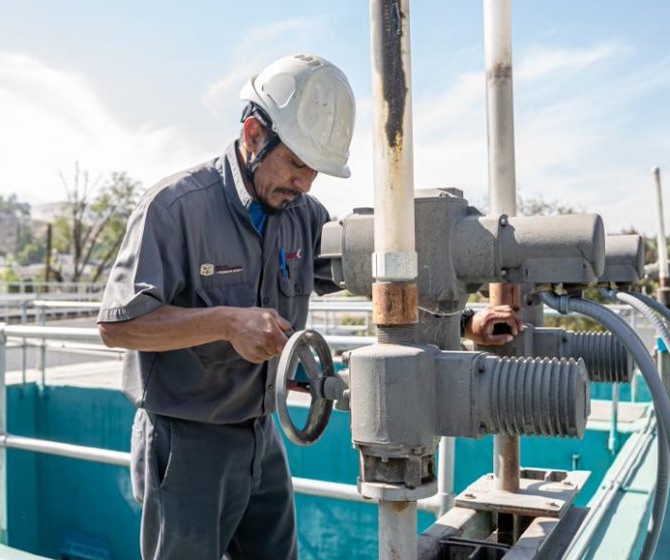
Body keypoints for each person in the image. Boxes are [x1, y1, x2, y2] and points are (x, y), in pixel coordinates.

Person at [97, 54, 521, 559]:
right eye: (297, 163)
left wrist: (465, 320)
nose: (305, 183)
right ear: (253, 135)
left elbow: (375, 278)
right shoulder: (175, 208)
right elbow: (119, 326)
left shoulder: (301, 214)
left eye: (315, 171)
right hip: (186, 441)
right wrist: (228, 323)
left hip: (262, 431)